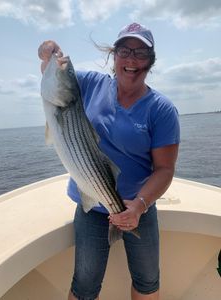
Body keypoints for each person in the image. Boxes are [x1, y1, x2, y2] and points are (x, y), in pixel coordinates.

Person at [38, 22, 180, 300]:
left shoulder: (161, 109)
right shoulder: (89, 83)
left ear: (150, 61)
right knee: (85, 284)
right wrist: (49, 52)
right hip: (91, 206)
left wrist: (138, 206)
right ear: (113, 56)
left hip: (140, 206)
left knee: (148, 280)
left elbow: (164, 169)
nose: (131, 60)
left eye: (140, 53)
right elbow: (53, 75)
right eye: (124, 50)